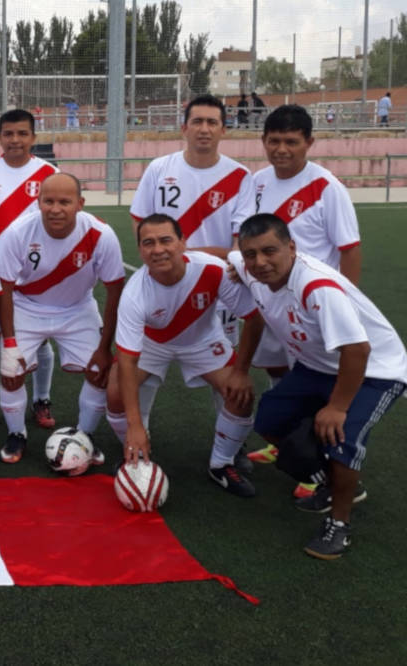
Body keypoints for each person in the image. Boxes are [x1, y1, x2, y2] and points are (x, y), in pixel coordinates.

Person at [233, 214, 406, 559]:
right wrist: (240, 369)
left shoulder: (316, 287)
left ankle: (339, 525)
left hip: (374, 368)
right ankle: (332, 484)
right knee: (268, 420)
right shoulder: (248, 269)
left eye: (270, 251)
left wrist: (337, 407)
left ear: (292, 248)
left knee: (341, 437)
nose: (260, 262)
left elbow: (357, 350)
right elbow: (241, 283)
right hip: (319, 365)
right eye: (250, 254)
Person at [246, 105, 363, 496]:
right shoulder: (258, 182)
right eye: (274, 141)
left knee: (321, 388)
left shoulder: (328, 188)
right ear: (263, 142)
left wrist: (343, 303)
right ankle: (286, 444)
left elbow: (349, 250)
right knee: (280, 373)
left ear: (309, 143)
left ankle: (320, 466)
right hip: (274, 300)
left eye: (291, 142)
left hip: (313, 307)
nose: (282, 149)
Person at [107, 214, 262, 496]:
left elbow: (253, 317)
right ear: (140, 250)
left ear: (183, 243)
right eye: (148, 243)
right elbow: (127, 361)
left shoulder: (214, 270)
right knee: (116, 388)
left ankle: (222, 463)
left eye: (166, 240)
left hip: (202, 340)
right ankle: (136, 451)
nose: (158, 249)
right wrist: (134, 425)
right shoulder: (134, 294)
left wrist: (241, 371)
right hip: (153, 343)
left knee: (241, 394)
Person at [0, 172, 125, 463]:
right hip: (26, 306)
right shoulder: (19, 232)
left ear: (80, 203)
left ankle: (85, 436)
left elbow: (115, 292)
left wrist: (105, 348)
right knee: (11, 373)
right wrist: (11, 343)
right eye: (48, 201)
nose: (55, 209)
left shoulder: (101, 235)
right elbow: (4, 288)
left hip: (77, 309)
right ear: (38, 202)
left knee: (98, 372)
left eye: (64, 201)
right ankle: (17, 434)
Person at [130, 94, 255, 364]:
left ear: (224, 129)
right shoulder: (159, 169)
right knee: (145, 366)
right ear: (184, 128)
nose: (204, 129)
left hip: (217, 286)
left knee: (225, 374)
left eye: (212, 122)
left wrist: (197, 260)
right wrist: (160, 262)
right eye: (197, 121)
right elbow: (139, 221)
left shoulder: (240, 176)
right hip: (162, 282)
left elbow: (241, 242)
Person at [0, 108, 59, 429]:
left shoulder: (48, 173)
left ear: (33, 137)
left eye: (22, 134)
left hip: (34, 273)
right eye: (8, 134)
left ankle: (41, 399)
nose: (15, 140)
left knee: (40, 339)